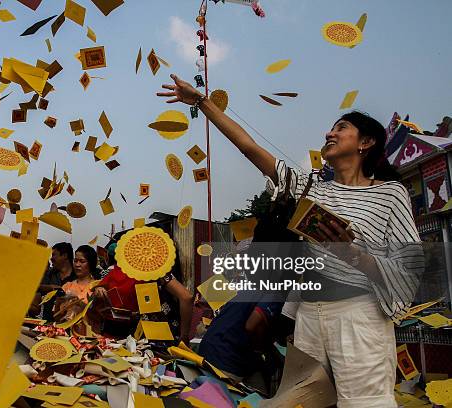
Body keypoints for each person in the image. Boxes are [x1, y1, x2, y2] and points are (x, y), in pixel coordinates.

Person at [158, 75, 423, 407]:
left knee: (365, 403)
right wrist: (201, 102)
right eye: (331, 128)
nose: (330, 133)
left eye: (341, 128)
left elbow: (410, 267)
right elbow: (249, 148)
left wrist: (353, 254)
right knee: (308, 400)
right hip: (309, 317)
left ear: (365, 142)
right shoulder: (309, 190)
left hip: (358, 317)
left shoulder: (389, 194)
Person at [93, 252, 194, 344]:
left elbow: (99, 293)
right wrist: (184, 335)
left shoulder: (119, 269)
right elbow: (187, 297)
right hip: (157, 336)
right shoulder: (158, 271)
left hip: (123, 336)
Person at [40, 242, 75, 321]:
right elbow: (36, 288)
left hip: (68, 325)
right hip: (47, 324)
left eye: (54, 255)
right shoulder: (49, 274)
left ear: (65, 256)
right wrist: (50, 288)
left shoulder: (77, 276)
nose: (51, 258)